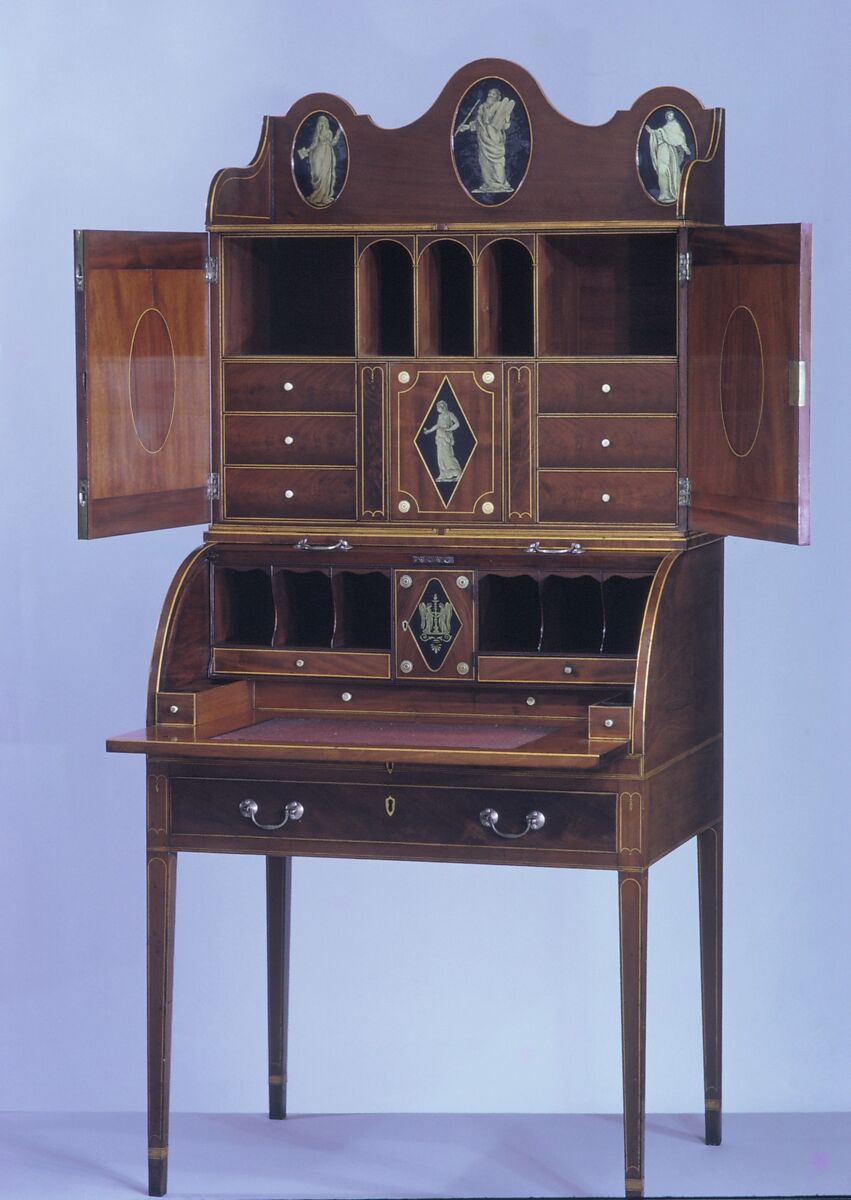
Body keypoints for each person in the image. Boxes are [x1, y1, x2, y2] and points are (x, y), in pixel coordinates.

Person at [456, 87, 515, 194]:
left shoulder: (500, 107)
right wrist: (467, 127)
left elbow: (505, 125)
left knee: (496, 162)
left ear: (498, 97)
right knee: (484, 162)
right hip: (483, 140)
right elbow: (478, 123)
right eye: (489, 93)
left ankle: (500, 184)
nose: (490, 95)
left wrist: (506, 119)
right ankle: (489, 184)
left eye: (493, 94)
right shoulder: (482, 107)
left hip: (494, 140)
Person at [645, 110, 692, 203]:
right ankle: (665, 194)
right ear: (666, 117)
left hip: (671, 151)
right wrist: (652, 132)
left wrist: (685, 148)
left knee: (672, 170)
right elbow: (658, 133)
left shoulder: (676, 126)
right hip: (662, 150)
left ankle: (674, 193)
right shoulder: (664, 128)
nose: (671, 116)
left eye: (672, 115)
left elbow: (680, 137)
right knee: (662, 171)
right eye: (669, 115)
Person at [297, 114, 342, 207]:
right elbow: (314, 144)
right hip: (318, 153)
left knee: (326, 175)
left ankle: (324, 196)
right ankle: (317, 195)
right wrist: (307, 150)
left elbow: (332, 143)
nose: (323, 123)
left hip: (328, 153)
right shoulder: (318, 132)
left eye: (325, 121)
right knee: (317, 173)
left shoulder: (329, 132)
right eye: (321, 121)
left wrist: (337, 134)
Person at [423, 400, 462, 481]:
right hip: (439, 437)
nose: (437, 409)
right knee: (440, 456)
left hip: (446, 438)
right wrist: (429, 431)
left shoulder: (450, 414)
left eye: (438, 407)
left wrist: (449, 429)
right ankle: (443, 474)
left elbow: (457, 424)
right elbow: (437, 425)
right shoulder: (440, 416)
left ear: (443, 407)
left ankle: (458, 472)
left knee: (448, 455)